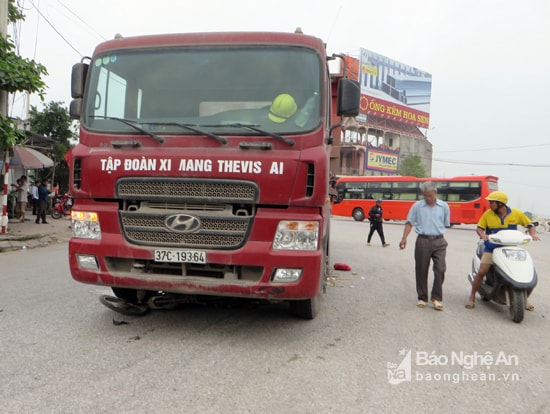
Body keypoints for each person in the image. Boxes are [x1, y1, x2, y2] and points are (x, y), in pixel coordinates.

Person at [465, 191, 540, 310]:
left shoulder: (516, 213)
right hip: (491, 247)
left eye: (492, 202)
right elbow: (479, 228)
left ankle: (524, 299)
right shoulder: (487, 214)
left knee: (527, 271)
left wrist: (533, 235)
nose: (490, 205)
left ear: (500, 204)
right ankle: (472, 297)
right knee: (482, 271)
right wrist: (483, 235)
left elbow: (530, 225)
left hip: (511, 248)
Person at [399, 181, 450, 311]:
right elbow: (409, 222)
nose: (428, 198)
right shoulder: (417, 206)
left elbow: (445, 223)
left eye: (430, 196)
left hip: (439, 241)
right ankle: (422, 297)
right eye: (425, 196)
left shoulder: (444, 206)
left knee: (440, 269)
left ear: (435, 193)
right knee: (421, 269)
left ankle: (436, 298)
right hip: (423, 240)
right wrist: (404, 238)